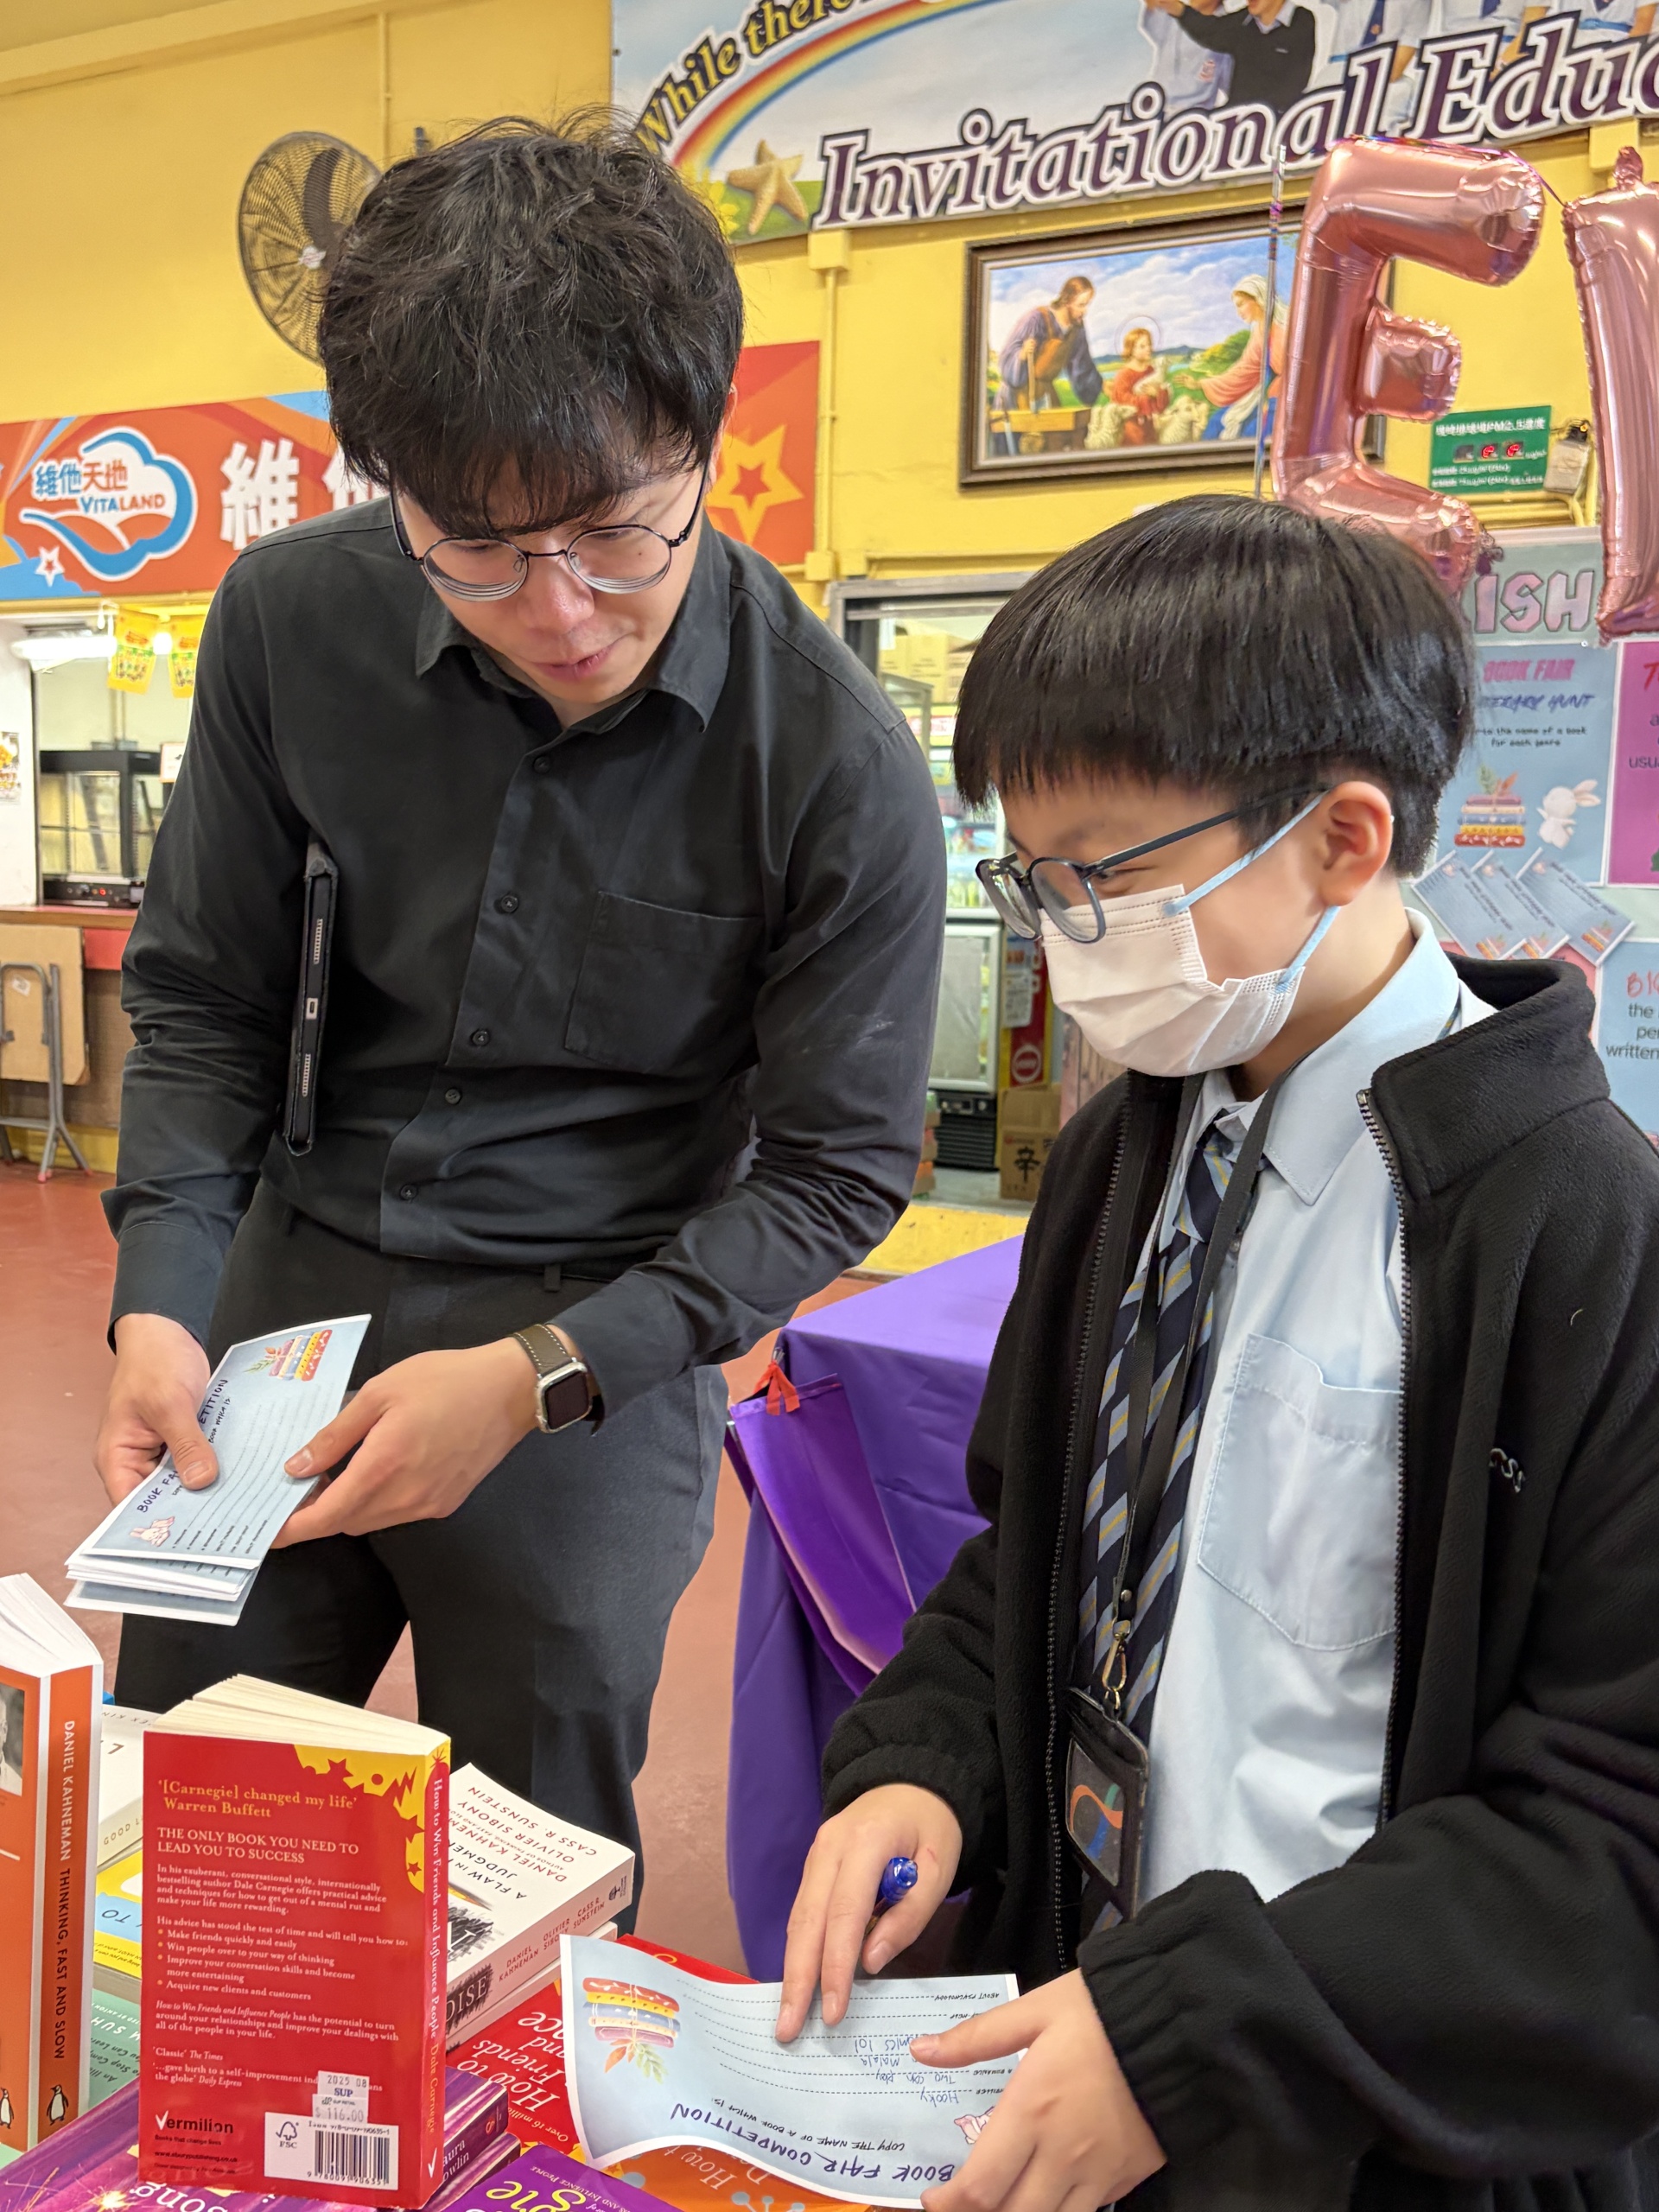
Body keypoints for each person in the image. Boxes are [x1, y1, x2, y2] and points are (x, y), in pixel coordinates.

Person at [93, 117, 944, 1902]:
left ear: (702, 439)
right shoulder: (291, 623)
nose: (557, 608)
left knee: (530, 1860)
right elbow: (204, 998)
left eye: (615, 532)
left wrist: (537, 1378)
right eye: (473, 547)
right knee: (195, 1815)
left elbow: (835, 1171)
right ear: (389, 487)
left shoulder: (832, 758)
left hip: (595, 1331)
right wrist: (162, 1297)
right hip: (288, 1295)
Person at [775, 495, 1659, 2210]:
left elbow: (1614, 1842)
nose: (1066, 936)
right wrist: (926, 1766)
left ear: (1342, 838)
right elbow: (1030, 1553)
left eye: (1106, 876)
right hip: (1092, 2055)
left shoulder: (1577, 1232)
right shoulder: (1128, 1152)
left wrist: (1204, 2029)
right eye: (1032, 879)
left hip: (1365, 2131)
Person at [1146, 0, 1317, 112]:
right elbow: (1210, 30)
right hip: (1235, 126)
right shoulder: (1243, 21)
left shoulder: (1301, 21)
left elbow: (1297, 80)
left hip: (1276, 124)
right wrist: (1181, 11)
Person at [995, 276, 1103, 419]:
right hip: (1018, 398)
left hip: (1046, 394)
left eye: (1087, 305)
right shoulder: (1036, 319)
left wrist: (1100, 386)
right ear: (1067, 301)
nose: (1085, 311)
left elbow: (1082, 366)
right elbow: (1007, 360)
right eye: (1081, 305)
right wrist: (1022, 354)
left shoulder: (1076, 328)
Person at [1198, 274, 1287, 442]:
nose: (1239, 312)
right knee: (1217, 422)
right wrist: (1204, 384)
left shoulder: (1284, 328)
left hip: (1283, 398)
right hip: (1261, 395)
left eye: (1241, 305)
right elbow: (1246, 369)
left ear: (1258, 299)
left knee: (1251, 433)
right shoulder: (1259, 332)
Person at [1107, 328, 1170, 448]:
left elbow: (1162, 403)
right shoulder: (1124, 375)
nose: (1148, 349)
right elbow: (1122, 400)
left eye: (1149, 344)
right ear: (1131, 350)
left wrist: (1158, 393)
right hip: (1131, 428)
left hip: (1150, 427)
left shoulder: (1151, 371)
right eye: (1142, 346)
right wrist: (1146, 397)